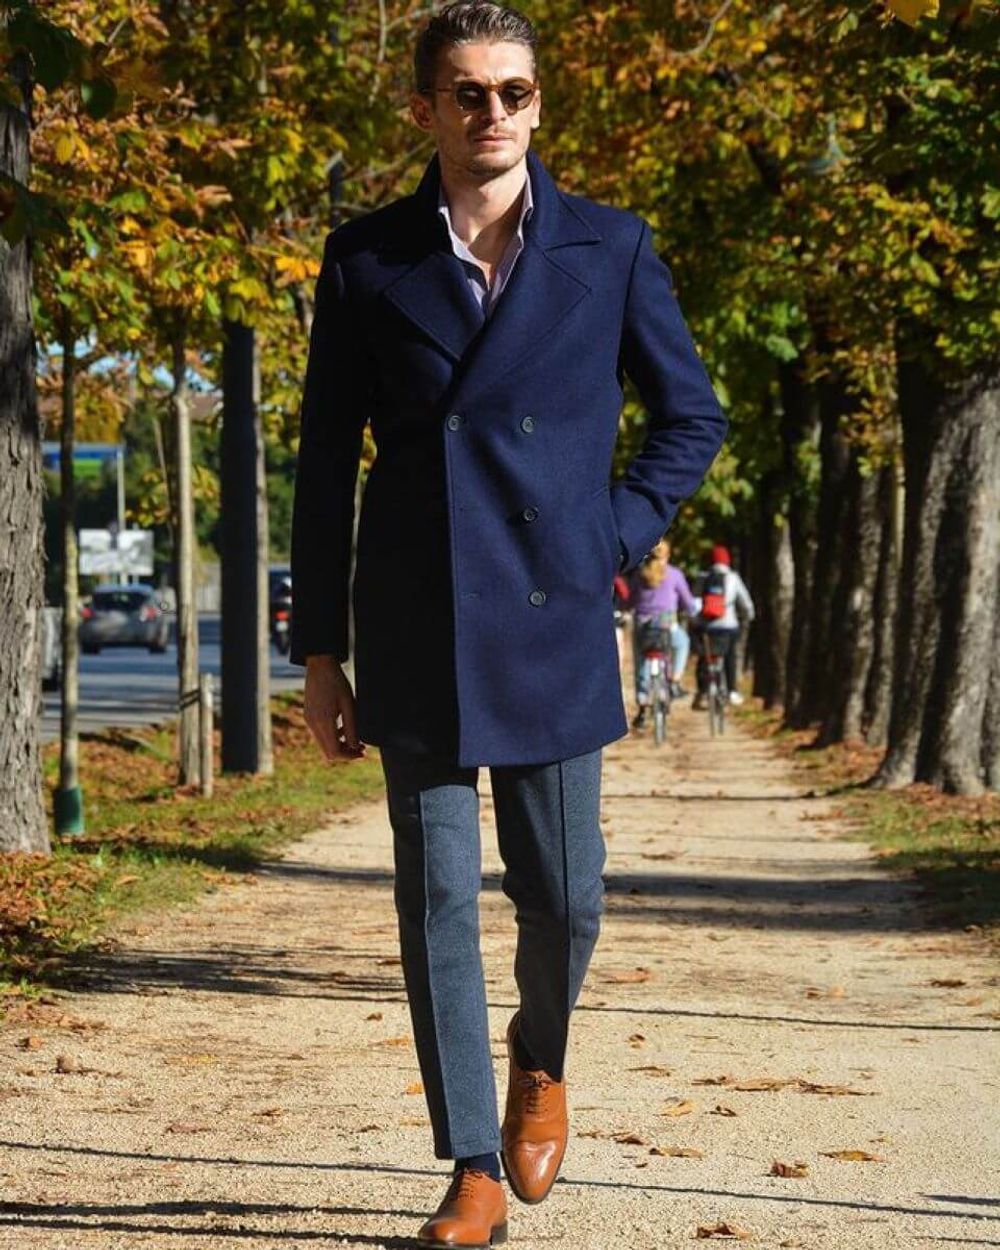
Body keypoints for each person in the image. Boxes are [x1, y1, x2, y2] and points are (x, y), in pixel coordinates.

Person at [290, 4, 727, 1245]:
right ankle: (472, 1160)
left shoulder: (611, 246)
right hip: (418, 620)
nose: (494, 114)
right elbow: (325, 462)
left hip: (548, 619)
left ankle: (543, 1055)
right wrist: (318, 648)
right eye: (468, 93)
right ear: (425, 107)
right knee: (433, 899)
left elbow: (689, 417)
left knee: (567, 899)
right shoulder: (365, 258)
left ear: (540, 103)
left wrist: (606, 534)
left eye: (516, 92)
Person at [625, 537, 697, 728]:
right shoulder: (674, 575)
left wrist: (626, 609)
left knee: (641, 663)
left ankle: (642, 707)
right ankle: (674, 681)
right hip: (666, 626)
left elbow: (629, 601)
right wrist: (691, 610)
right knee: (682, 643)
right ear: (668, 555)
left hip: (642, 625)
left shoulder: (639, 574)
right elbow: (688, 602)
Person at [691, 544, 754, 706]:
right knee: (730, 653)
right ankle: (732, 691)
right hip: (728, 625)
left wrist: (696, 620)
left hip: (706, 626)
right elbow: (745, 603)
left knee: (705, 656)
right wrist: (748, 616)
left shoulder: (702, 577)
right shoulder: (733, 578)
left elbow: (695, 603)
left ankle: (702, 693)